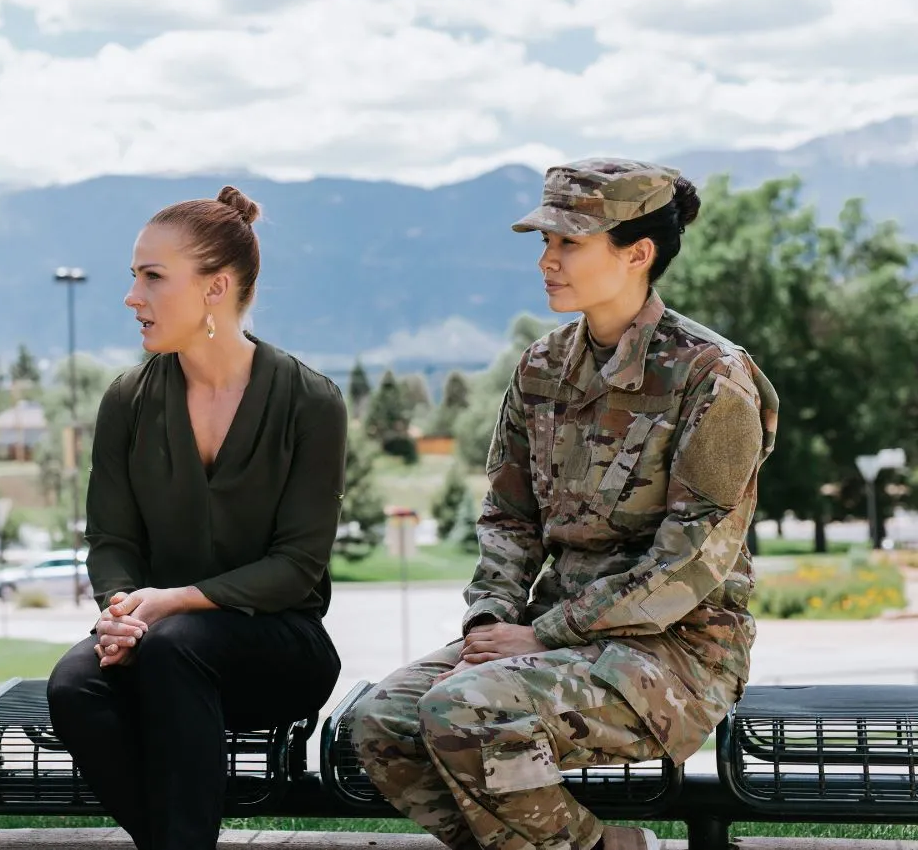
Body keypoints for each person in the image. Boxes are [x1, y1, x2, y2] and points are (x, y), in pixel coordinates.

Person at [347, 159, 778, 850]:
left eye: (568, 243)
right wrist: (490, 622)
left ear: (637, 253)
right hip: (548, 637)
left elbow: (688, 562)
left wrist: (543, 636)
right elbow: (508, 516)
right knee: (381, 722)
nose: (546, 260)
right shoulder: (542, 368)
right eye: (544, 242)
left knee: (465, 713)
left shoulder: (711, 376)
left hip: (675, 651)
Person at [45, 186, 347, 850]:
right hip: (155, 642)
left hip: (278, 648)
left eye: (152, 277)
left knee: (177, 647)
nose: (132, 297)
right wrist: (122, 608)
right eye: (134, 277)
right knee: (73, 686)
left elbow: (297, 568)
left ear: (217, 288)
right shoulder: (127, 400)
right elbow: (112, 539)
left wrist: (170, 604)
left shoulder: (310, 401)